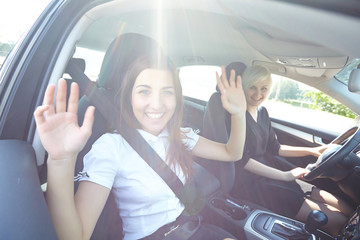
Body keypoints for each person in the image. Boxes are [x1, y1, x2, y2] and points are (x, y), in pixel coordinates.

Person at [33, 51, 247, 239]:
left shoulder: (180, 135)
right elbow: (76, 237)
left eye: (167, 92)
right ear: (130, 97)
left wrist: (238, 113)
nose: (156, 103)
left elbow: (232, 153)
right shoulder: (111, 146)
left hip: (192, 229)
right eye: (144, 91)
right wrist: (61, 161)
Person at [231, 65, 354, 237]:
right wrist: (286, 175)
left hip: (275, 174)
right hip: (255, 183)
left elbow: (276, 148)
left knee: (348, 211)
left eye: (264, 88)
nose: (258, 94)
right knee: (339, 223)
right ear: (244, 86)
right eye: (252, 87)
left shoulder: (262, 112)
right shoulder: (237, 116)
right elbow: (242, 160)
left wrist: (314, 150)